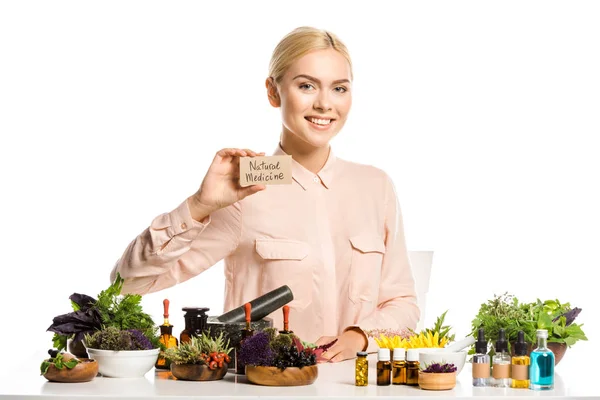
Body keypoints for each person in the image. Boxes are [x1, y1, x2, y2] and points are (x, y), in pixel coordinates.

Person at [111, 26, 419, 362]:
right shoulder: (244, 191)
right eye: (306, 85)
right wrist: (199, 206)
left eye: (339, 88)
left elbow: (403, 303)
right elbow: (128, 283)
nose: (324, 104)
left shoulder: (375, 186)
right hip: (264, 388)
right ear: (273, 92)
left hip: (356, 388)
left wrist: (359, 336)